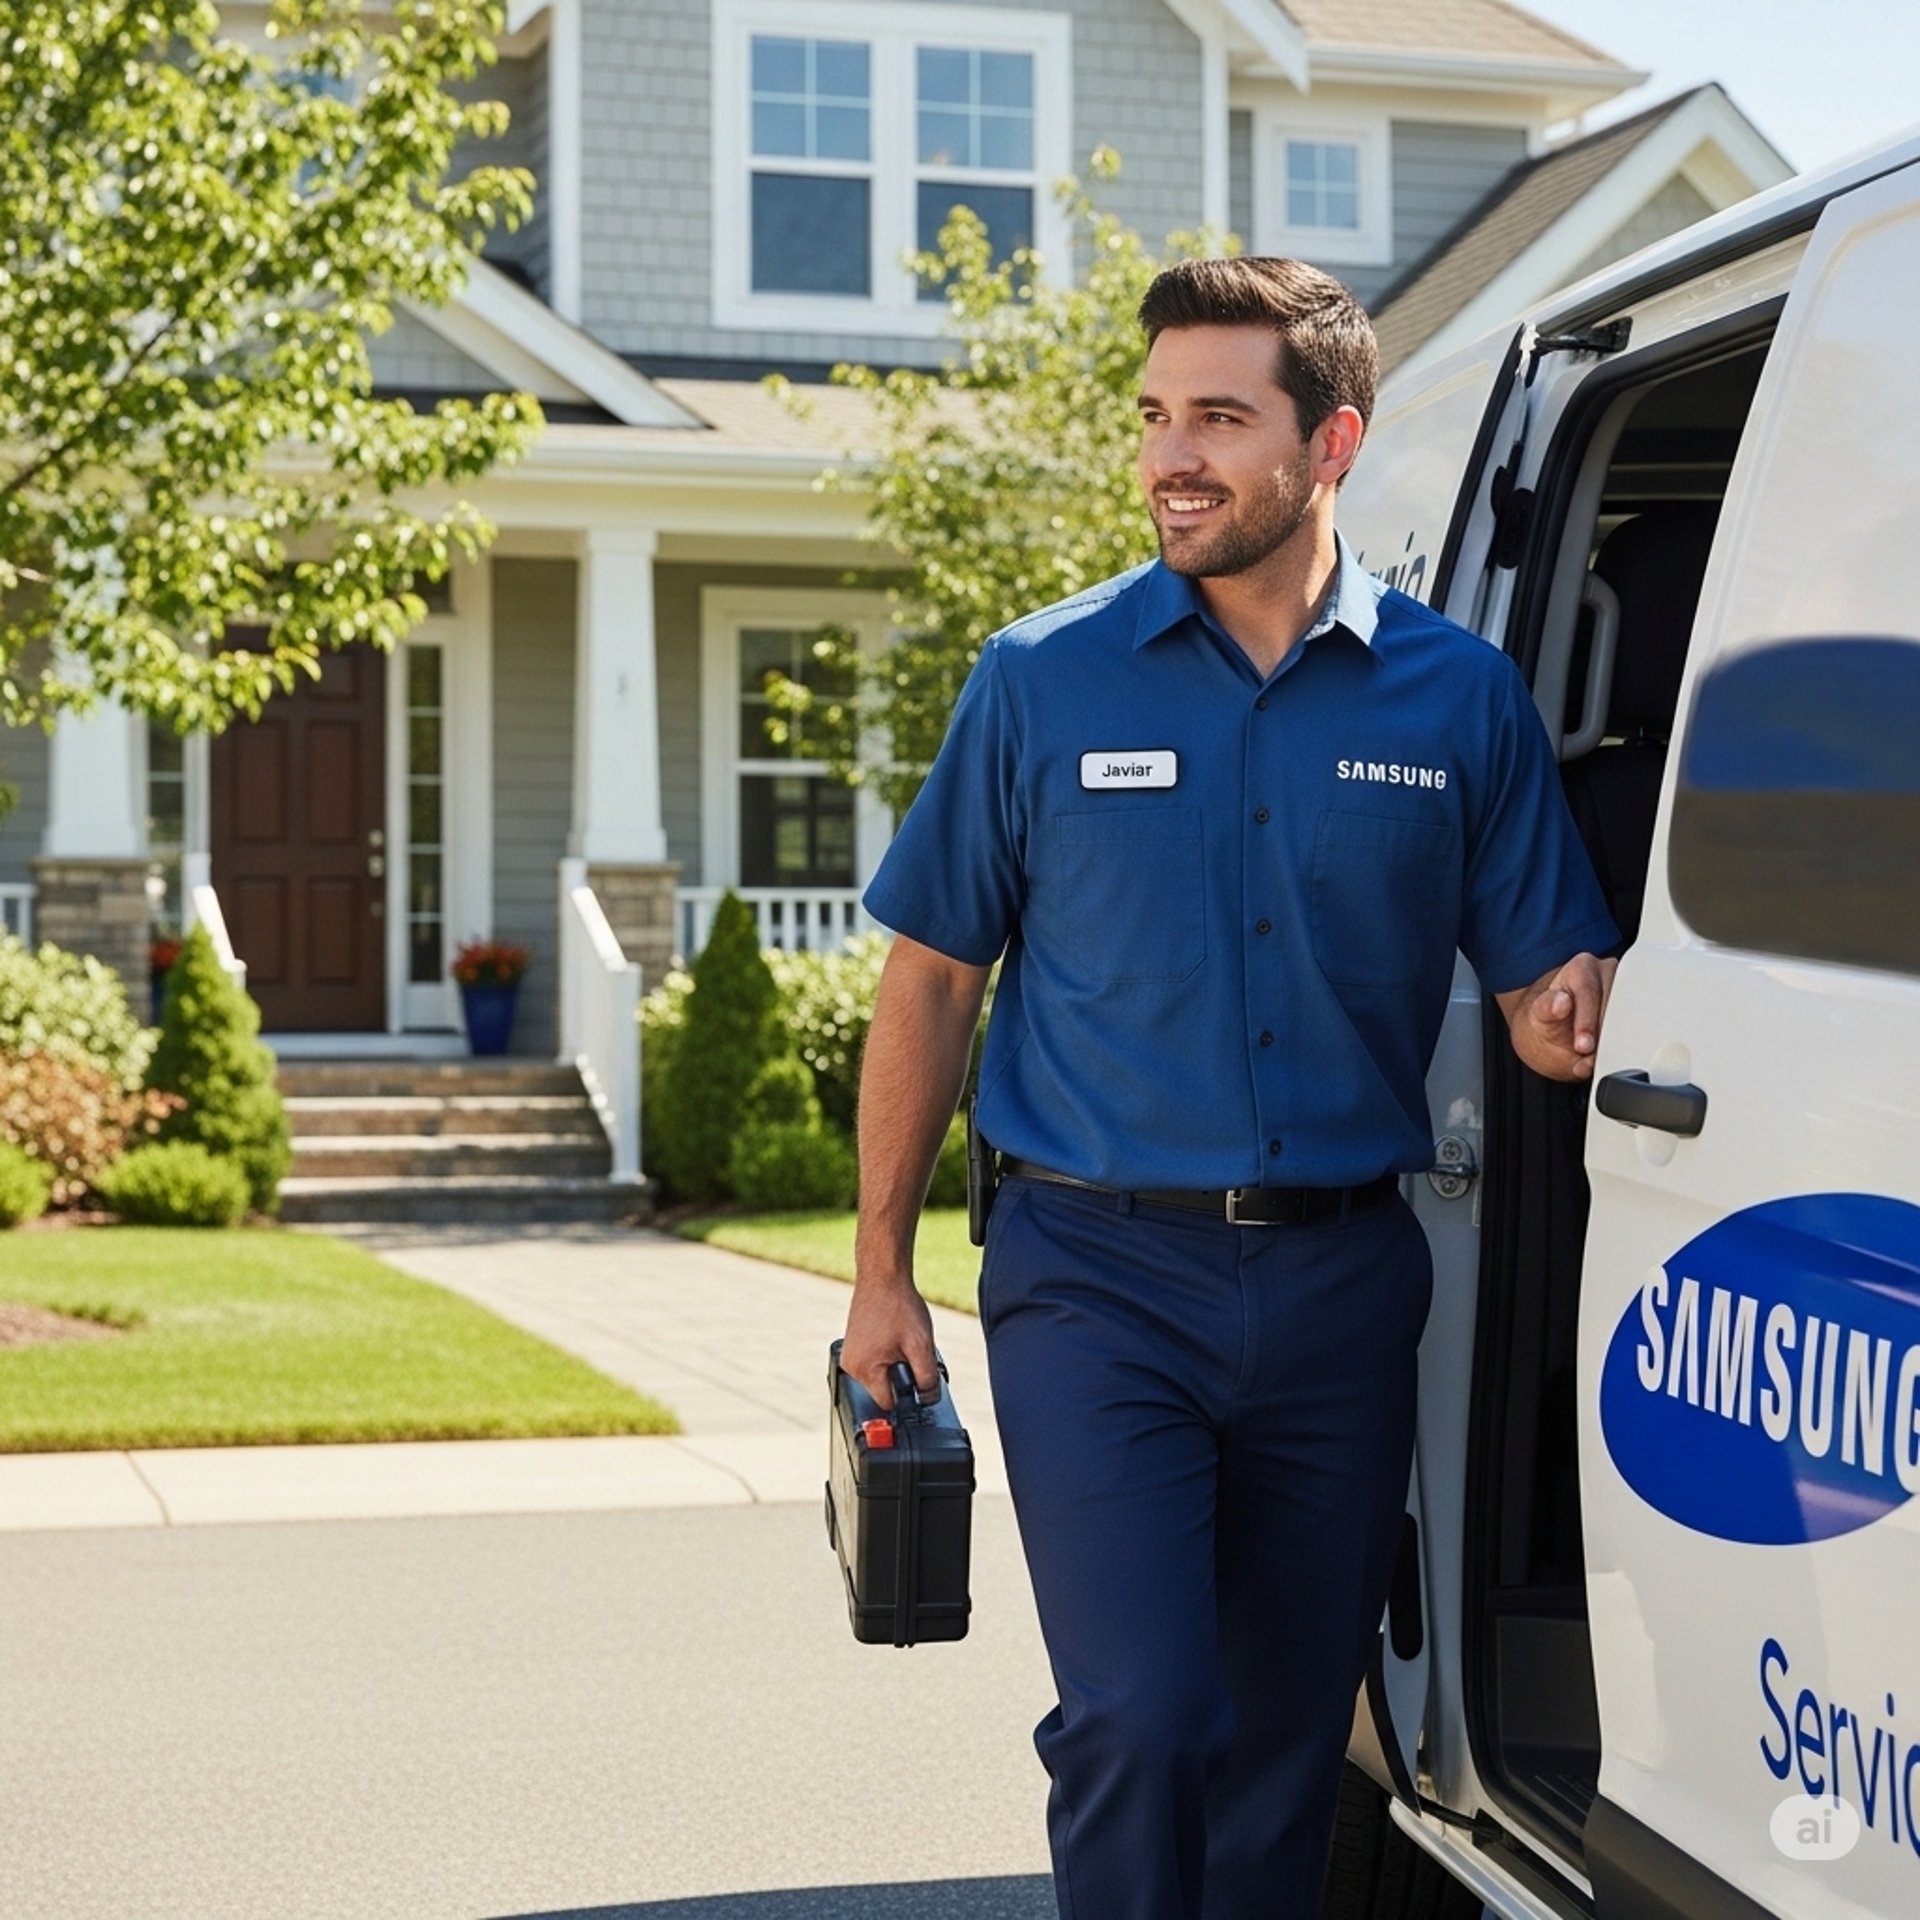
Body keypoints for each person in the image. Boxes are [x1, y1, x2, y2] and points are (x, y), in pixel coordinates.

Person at [839, 256, 1618, 1919]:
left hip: (1344, 1282)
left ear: (1330, 445)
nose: (1167, 458)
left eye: (1216, 418)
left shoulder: (1456, 698)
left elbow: (1550, 986)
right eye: (1152, 417)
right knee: (1139, 1711)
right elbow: (931, 978)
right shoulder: (1040, 680)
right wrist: (881, 1274)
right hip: (1095, 1277)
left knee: (1283, 1735)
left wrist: (1591, 1014)